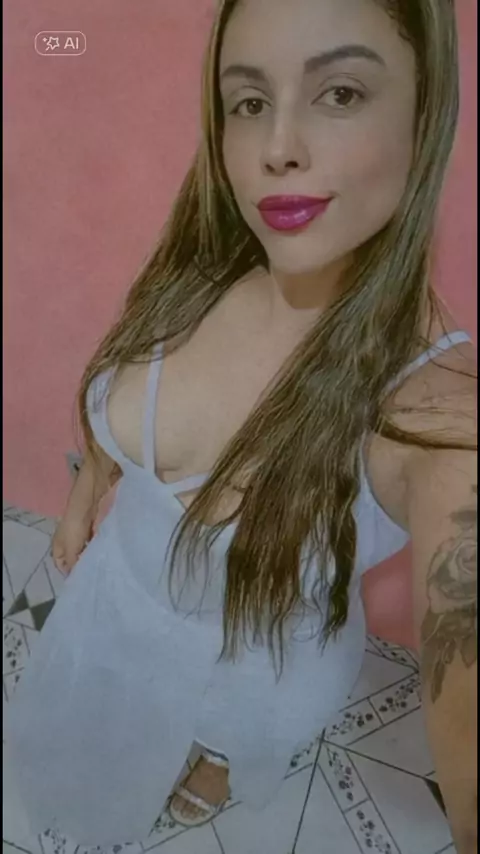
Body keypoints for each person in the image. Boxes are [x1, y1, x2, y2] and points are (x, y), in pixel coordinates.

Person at [5, 0, 477, 847]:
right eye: (249, 102)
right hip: (116, 607)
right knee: (101, 731)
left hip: (260, 664)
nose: (275, 148)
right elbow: (111, 403)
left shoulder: (431, 407)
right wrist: (79, 509)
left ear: (425, 111)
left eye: (340, 92)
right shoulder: (205, 263)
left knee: (229, 728)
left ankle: (218, 763)